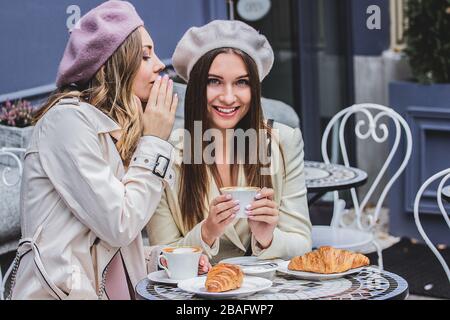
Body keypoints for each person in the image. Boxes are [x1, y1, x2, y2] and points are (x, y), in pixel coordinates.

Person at [9, 1, 208, 300]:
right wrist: (154, 142)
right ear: (113, 65)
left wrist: (161, 258)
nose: (158, 65)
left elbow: (106, 247)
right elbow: (119, 225)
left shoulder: (113, 131)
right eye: (144, 56)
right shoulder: (66, 121)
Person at [146, 20, 312, 264]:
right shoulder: (165, 154)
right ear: (195, 89)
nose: (228, 97)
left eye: (241, 82)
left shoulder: (284, 142)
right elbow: (161, 254)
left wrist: (267, 237)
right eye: (214, 81)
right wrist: (206, 233)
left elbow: (302, 243)